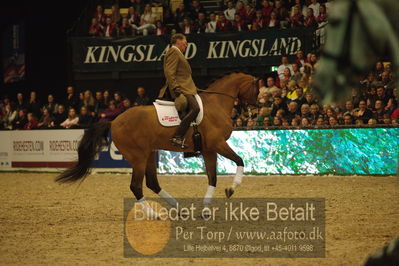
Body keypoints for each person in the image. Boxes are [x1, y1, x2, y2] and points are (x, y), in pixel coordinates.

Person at [158, 33, 199, 148]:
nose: (186, 45)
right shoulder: (174, 51)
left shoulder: (178, 53)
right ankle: (177, 136)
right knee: (196, 108)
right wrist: (175, 88)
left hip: (188, 88)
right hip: (182, 88)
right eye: (185, 43)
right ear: (178, 41)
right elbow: (169, 72)